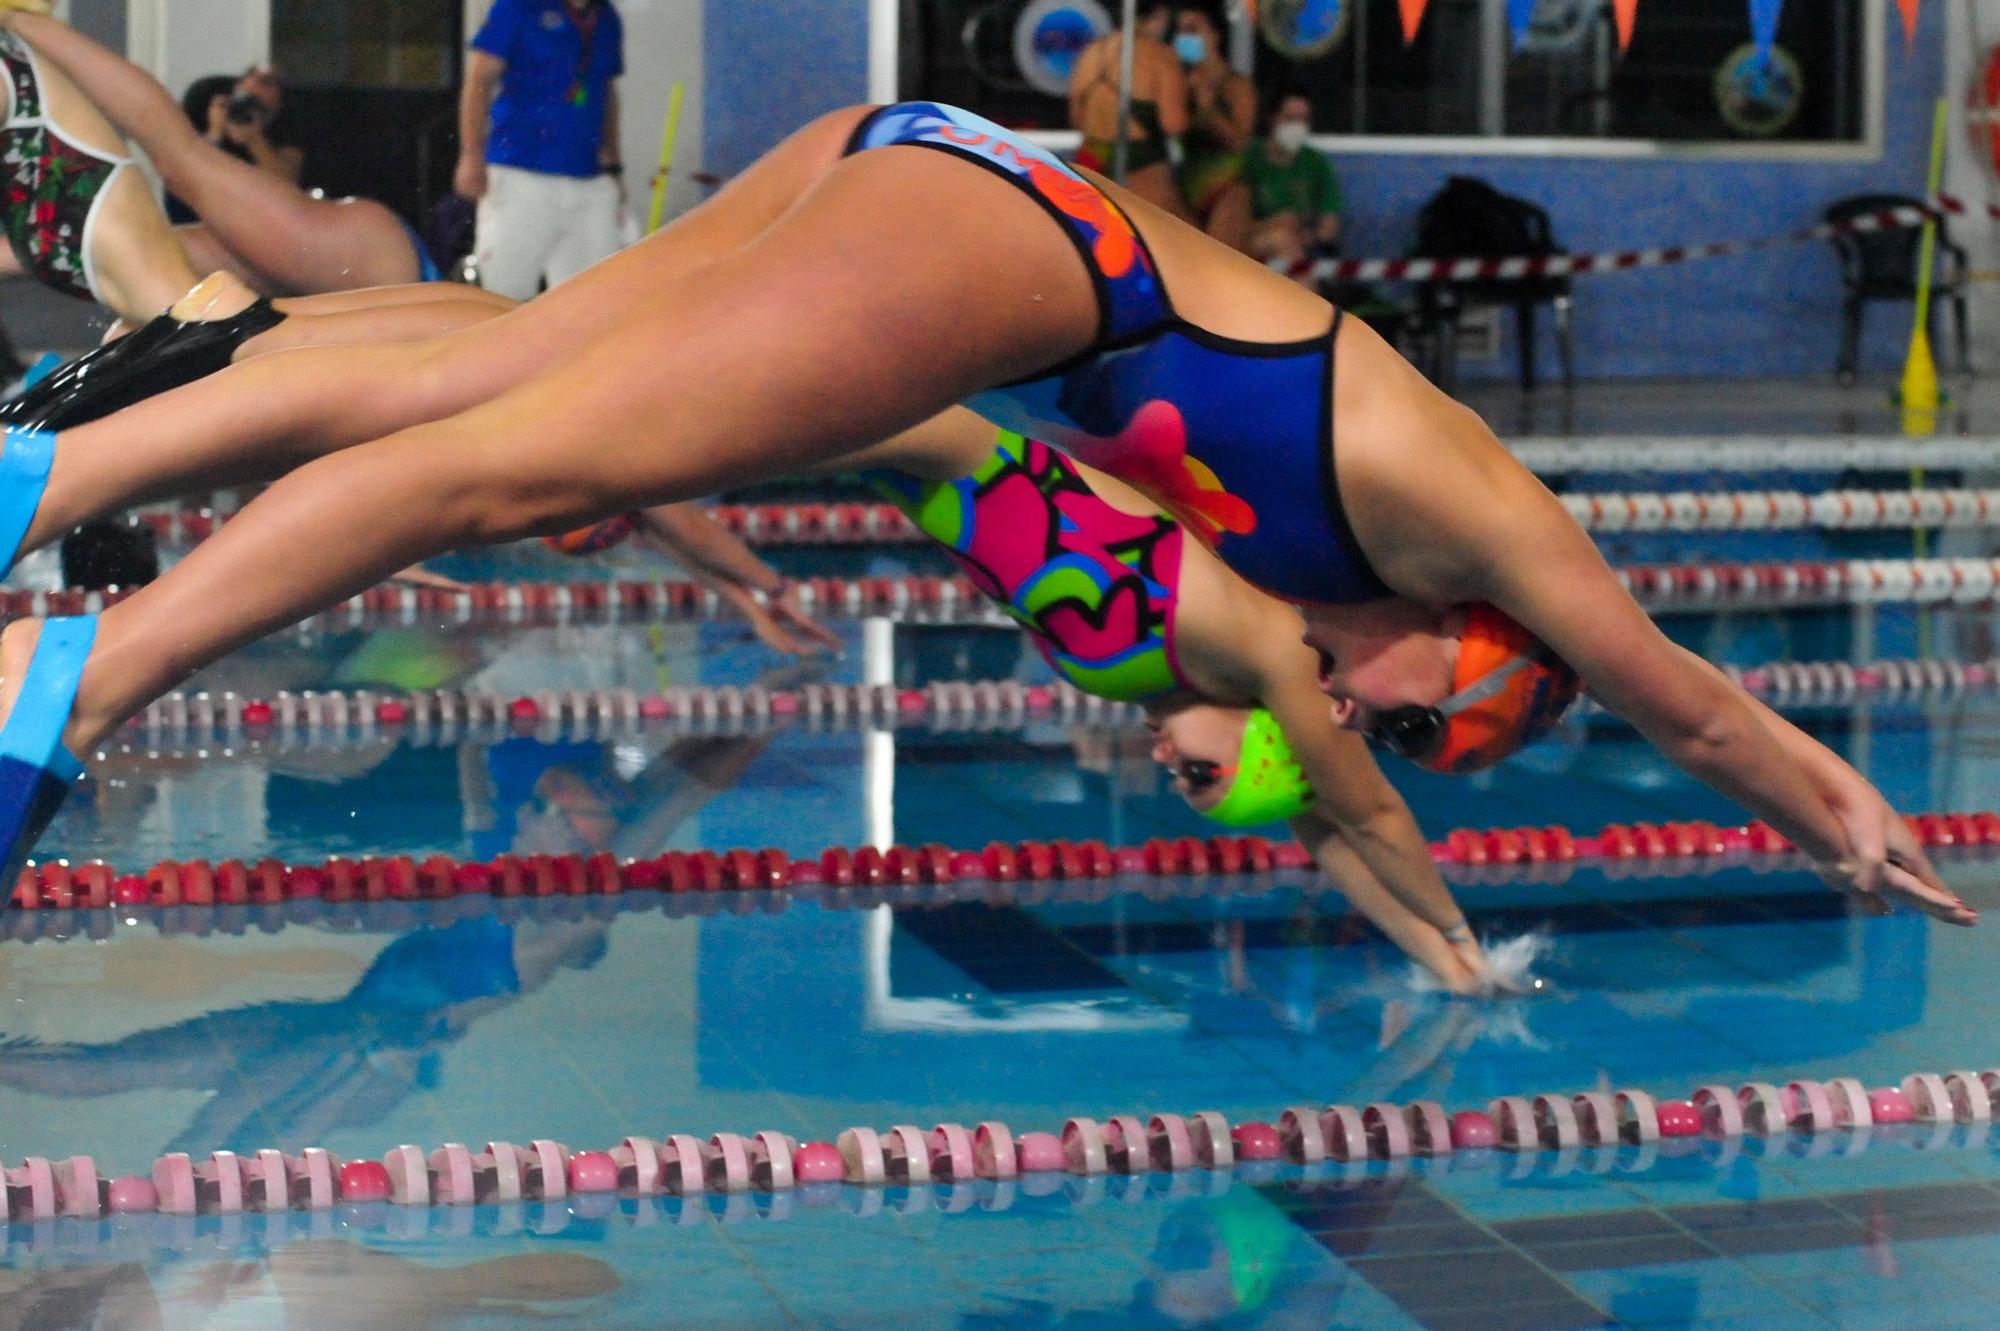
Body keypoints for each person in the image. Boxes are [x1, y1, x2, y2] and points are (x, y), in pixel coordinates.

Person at [0, 99, 1969, 933]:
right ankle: (78, 674)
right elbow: (1689, 706)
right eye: (1437, 718)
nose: (1374, 728)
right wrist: (1850, 812)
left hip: (956, 204)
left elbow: (958, 460)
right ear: (1471, 646)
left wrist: (677, 458)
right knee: (522, 453)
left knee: (496, 383)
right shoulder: (1479, 519)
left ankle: (60, 464)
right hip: (1016, 238)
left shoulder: (1268, 587)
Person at [569, 408, 1498, 992]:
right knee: (619, 425)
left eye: (1187, 784)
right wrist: (1464, 934)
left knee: (621, 433)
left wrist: (1438, 964)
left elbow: (1324, 835)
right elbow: (1367, 814)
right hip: (949, 428)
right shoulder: (1277, 653)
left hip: (908, 453)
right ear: (1276, 736)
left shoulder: (1193, 675)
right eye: (1205, 771)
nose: (1167, 764)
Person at [0, 8, 437, 293]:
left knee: (148, 209)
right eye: (252, 80)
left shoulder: (281, 141)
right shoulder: (213, 124)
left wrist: (252, 139)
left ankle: (19, 21)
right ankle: (19, 21)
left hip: (355, 262)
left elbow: (280, 180)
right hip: (362, 267)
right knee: (148, 205)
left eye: (270, 88)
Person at [455, 0, 626, 300]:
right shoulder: (518, 7)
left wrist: (614, 165)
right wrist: (471, 155)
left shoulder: (607, 17)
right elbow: (479, 76)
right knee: (501, 297)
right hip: (520, 175)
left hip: (588, 180)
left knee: (595, 302)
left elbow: (606, 91)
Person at [1066, 2, 1191, 221]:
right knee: (1172, 237)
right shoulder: (1160, 56)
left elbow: (1077, 118)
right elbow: (1174, 123)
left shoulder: (1091, 53)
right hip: (1142, 167)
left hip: (1091, 161)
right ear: (1160, 15)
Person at [1171, 3, 1255, 251]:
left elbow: (1238, 142)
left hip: (1225, 191)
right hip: (1186, 187)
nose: (1185, 37)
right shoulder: (1180, 82)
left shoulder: (1236, 86)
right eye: (1181, 30)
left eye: (1193, 29)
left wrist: (1207, 107)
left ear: (1214, 36)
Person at [1244, 92, 1341, 282]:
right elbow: (1230, 226)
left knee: (1285, 240)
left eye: (1303, 119)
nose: (1297, 126)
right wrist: (1276, 224)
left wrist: (1305, 234)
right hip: (1243, 246)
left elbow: (1329, 227)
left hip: (1299, 247)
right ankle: (1311, 308)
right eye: (1290, 118)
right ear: (1273, 118)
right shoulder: (1248, 159)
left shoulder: (1316, 163)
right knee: (1280, 238)